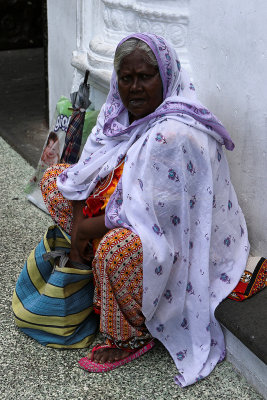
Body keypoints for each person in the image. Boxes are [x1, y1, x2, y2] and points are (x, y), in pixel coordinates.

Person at [40, 33, 249, 387]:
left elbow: (152, 221)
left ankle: (128, 335)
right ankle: (103, 276)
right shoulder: (116, 117)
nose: (134, 88)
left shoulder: (174, 133)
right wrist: (78, 229)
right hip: (122, 216)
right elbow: (83, 175)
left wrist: (84, 233)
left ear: (165, 76)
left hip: (173, 243)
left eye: (145, 76)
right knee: (55, 181)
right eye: (126, 78)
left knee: (115, 248)